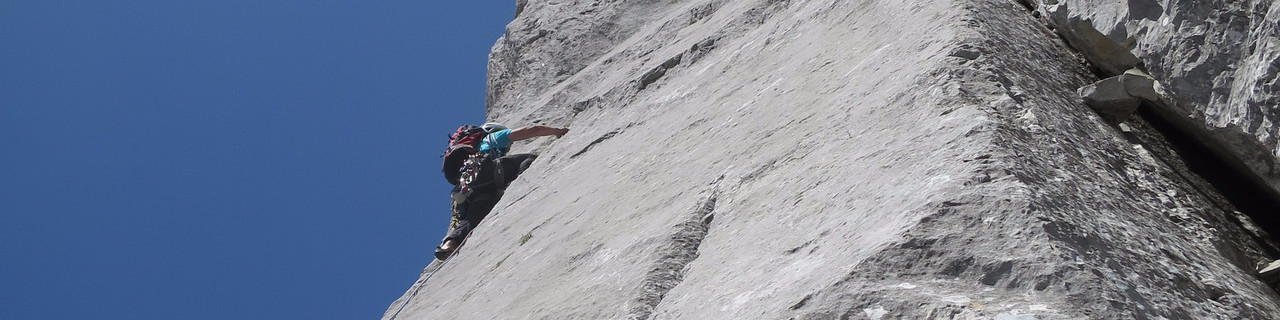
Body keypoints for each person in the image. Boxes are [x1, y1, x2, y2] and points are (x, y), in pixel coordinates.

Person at [435, 122, 569, 259]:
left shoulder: (470, 152)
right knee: (528, 158)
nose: (509, 147)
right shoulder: (492, 137)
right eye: (509, 145)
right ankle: (519, 185)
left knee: (474, 216)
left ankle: (449, 244)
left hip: (470, 187)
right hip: (484, 171)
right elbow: (533, 129)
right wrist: (557, 130)